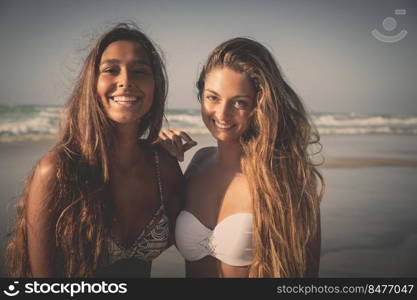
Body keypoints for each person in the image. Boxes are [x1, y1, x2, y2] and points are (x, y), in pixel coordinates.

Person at [6, 23, 183, 278]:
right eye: (111, 70)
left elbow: (200, 233)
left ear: (155, 86)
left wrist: (206, 161)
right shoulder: (57, 171)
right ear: (92, 84)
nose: (126, 81)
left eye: (140, 71)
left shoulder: (163, 166)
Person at [159, 37, 324, 277]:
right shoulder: (199, 161)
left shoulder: (287, 177)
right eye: (212, 97)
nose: (222, 114)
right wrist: (157, 156)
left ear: (260, 105)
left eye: (239, 102)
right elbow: (153, 234)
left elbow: (307, 273)